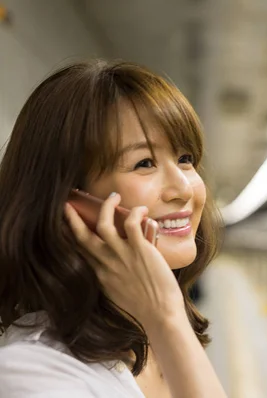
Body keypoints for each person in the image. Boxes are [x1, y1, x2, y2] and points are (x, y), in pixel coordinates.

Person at [0, 59, 228, 398]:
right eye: (144, 163)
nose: (183, 188)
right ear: (73, 202)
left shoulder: (146, 338)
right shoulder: (30, 372)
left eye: (185, 158)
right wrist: (167, 317)